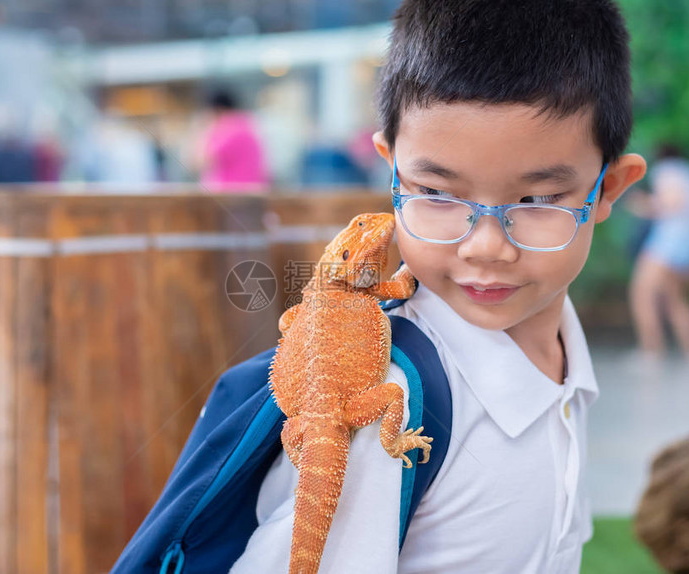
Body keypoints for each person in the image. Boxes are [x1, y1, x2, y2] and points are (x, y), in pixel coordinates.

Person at [127, 1, 647, 572]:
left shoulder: (565, 357)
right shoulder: (392, 416)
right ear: (392, 170)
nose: (485, 247)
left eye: (539, 200)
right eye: (436, 192)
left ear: (608, 190)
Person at [627, 144, 689, 359]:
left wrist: (641, 204)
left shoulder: (667, 170)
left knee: (642, 293)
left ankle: (651, 350)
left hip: (668, 242)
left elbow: (673, 202)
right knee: (675, 299)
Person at [193, 89, 269, 192]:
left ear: (217, 110)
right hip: (249, 194)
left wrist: (205, 130)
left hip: (229, 197)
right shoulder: (246, 125)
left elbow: (201, 161)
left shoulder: (227, 130)